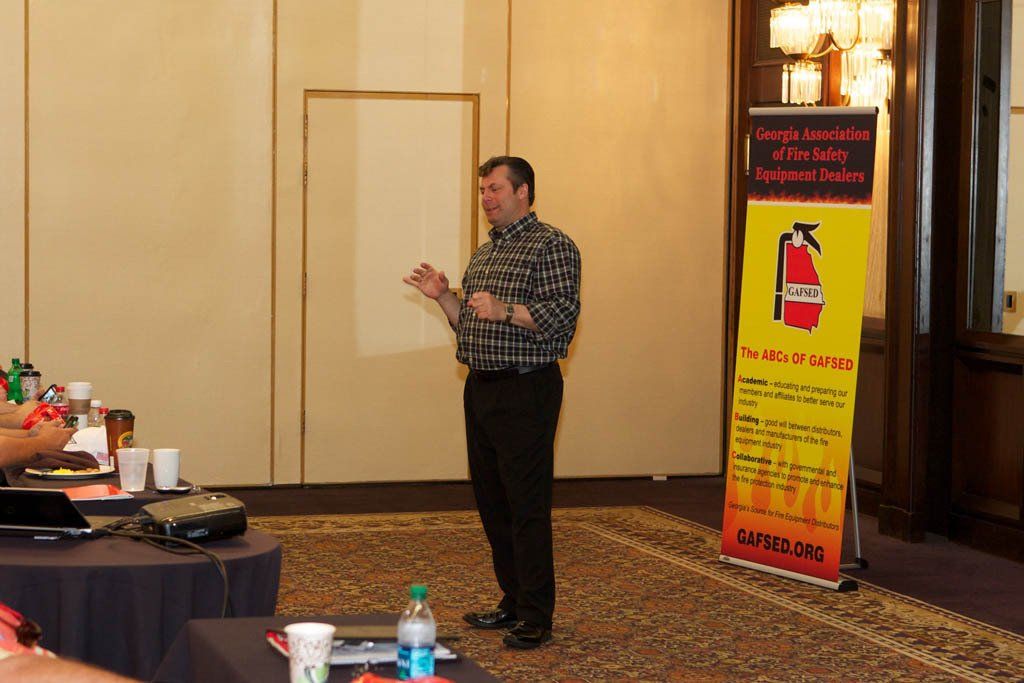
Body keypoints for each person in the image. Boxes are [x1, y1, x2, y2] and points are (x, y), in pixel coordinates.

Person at [403, 156, 581, 649]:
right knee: (492, 501)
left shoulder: (552, 245)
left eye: (496, 189)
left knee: (526, 504)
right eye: (483, 190)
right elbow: (473, 327)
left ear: (524, 192)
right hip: (481, 387)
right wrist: (443, 297)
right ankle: (512, 598)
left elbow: (562, 317)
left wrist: (507, 310)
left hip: (526, 388)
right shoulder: (485, 254)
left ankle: (536, 614)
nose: (487, 198)